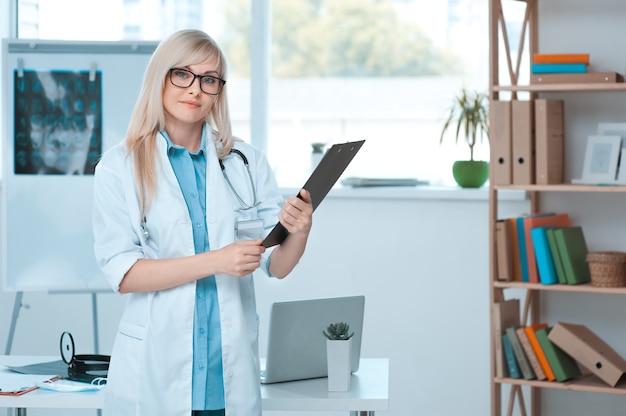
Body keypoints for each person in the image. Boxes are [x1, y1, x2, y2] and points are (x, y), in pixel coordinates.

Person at [92, 29, 313, 416]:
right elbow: (123, 274)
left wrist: (299, 232)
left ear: (218, 91)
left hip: (225, 375)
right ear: (160, 77)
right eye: (183, 74)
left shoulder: (245, 161)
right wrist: (216, 261)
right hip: (155, 372)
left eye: (209, 79)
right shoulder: (118, 167)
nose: (195, 89)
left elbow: (274, 264)